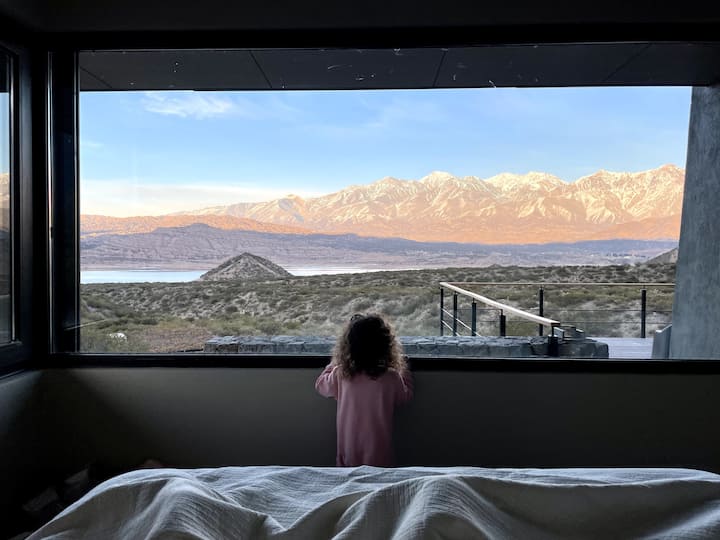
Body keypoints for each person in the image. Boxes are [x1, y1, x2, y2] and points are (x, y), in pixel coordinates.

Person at [315, 313, 413, 467]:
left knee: (348, 478)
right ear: (386, 346)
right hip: (380, 455)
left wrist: (334, 363)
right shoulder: (391, 376)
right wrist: (404, 371)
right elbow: (404, 397)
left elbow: (321, 385)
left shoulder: (341, 374)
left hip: (348, 452)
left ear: (348, 346)